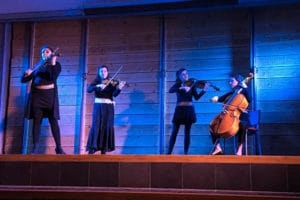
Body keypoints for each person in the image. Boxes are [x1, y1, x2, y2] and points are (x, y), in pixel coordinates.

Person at [21, 45, 65, 154]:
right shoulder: (37, 66)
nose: (44, 53)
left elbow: (53, 77)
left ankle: (58, 148)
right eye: (42, 52)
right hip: (37, 97)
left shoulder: (56, 65)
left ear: (51, 53)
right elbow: (24, 80)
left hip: (50, 97)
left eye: (47, 51)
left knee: (53, 121)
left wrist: (53, 61)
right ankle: (35, 148)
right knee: (37, 122)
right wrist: (26, 74)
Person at [167, 68, 209, 155]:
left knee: (187, 132)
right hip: (179, 110)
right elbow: (170, 90)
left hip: (189, 110)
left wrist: (204, 90)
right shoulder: (177, 85)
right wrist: (181, 88)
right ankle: (168, 153)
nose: (186, 75)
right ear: (179, 76)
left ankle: (186, 154)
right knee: (175, 131)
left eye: (186, 73)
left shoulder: (192, 85)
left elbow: (196, 98)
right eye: (183, 74)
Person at [86, 65, 126, 154]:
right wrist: (98, 86)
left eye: (104, 71)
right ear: (99, 73)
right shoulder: (96, 81)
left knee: (106, 126)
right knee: (96, 125)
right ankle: (93, 148)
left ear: (107, 72)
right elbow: (89, 90)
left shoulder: (112, 82)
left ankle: (104, 148)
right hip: (98, 106)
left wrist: (119, 88)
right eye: (101, 71)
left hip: (108, 107)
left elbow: (114, 94)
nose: (103, 73)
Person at [209, 74, 251, 156]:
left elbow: (250, 99)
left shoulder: (244, 91)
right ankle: (218, 148)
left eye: (232, 81)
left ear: (238, 81)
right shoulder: (231, 94)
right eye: (229, 81)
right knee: (213, 125)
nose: (229, 82)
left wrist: (245, 87)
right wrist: (214, 99)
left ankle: (239, 150)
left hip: (242, 116)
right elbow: (220, 98)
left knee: (242, 125)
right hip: (228, 115)